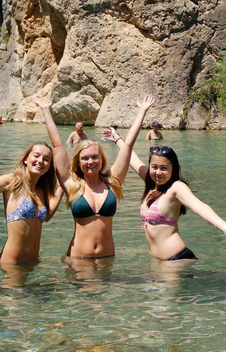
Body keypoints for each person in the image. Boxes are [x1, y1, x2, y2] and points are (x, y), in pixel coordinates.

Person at [35, 95, 155, 259]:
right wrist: (46, 110)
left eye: (94, 157)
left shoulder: (112, 182)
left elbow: (128, 146)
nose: (90, 161)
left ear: (101, 159)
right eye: (85, 158)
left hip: (107, 259)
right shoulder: (71, 184)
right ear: (78, 162)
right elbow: (58, 145)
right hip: (78, 260)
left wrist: (142, 112)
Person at [107, 138, 226, 261]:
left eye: (164, 168)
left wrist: (224, 227)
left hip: (175, 260)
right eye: (154, 167)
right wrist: (117, 138)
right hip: (160, 261)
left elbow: (199, 206)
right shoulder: (151, 183)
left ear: (173, 168)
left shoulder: (176, 187)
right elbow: (130, 156)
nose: (158, 172)